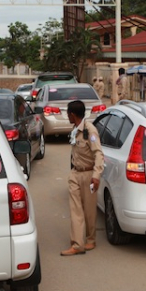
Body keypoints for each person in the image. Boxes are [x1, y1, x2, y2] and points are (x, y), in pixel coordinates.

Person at [61, 100, 104, 257]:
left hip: (89, 175)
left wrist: (96, 176)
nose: (67, 116)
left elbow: (98, 153)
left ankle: (90, 239)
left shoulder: (89, 130)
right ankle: (78, 244)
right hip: (75, 173)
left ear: (73, 114)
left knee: (89, 210)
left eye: (68, 113)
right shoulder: (75, 130)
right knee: (76, 209)